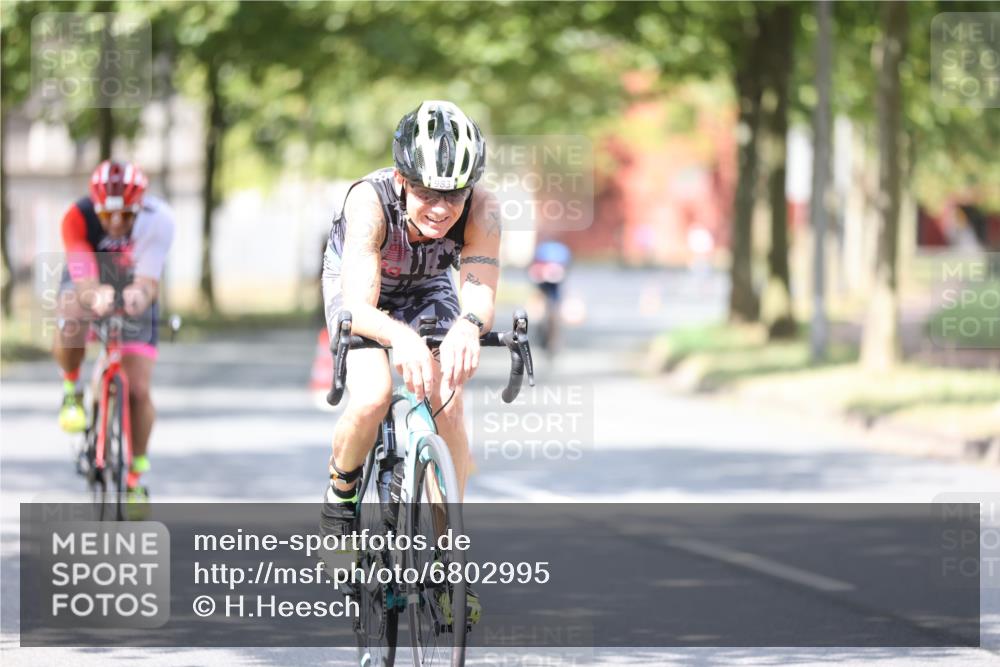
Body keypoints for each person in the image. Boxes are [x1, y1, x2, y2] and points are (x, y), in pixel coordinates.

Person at [319, 100, 501, 621]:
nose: (441, 208)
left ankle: (449, 560)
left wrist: (468, 326)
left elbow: (479, 288)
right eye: (425, 192)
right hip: (360, 289)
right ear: (401, 178)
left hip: (427, 287)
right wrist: (401, 339)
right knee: (375, 393)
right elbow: (359, 305)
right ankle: (341, 495)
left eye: (453, 194)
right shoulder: (368, 203)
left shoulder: (484, 209)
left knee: (451, 405)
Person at [54, 160, 175, 512]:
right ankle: (72, 391)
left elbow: (149, 282)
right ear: (95, 206)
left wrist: (140, 295)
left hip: (133, 281)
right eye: (109, 216)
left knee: (138, 390)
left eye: (127, 215)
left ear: (141, 207)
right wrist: (94, 295)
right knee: (70, 313)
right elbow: (82, 272)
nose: (118, 223)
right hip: (89, 277)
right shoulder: (75, 217)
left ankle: (135, 479)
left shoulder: (160, 219)